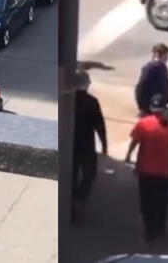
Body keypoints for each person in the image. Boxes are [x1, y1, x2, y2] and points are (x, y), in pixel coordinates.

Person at [125, 94, 168, 242]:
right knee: (162, 201)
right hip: (164, 172)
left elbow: (134, 142)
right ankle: (160, 227)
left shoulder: (143, 123)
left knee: (146, 201)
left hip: (145, 170)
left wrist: (128, 156)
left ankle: (149, 229)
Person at [72, 70, 107, 223]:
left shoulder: (68, 99)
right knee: (89, 174)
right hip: (86, 144)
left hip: (70, 144)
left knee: (71, 174)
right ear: (86, 84)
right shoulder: (92, 102)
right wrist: (104, 144)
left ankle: (71, 198)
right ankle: (79, 200)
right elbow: (99, 125)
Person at [135, 43, 168, 116]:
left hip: (157, 105)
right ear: (159, 54)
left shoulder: (160, 67)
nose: (167, 58)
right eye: (166, 55)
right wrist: (142, 107)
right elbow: (141, 87)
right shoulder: (151, 68)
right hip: (151, 107)